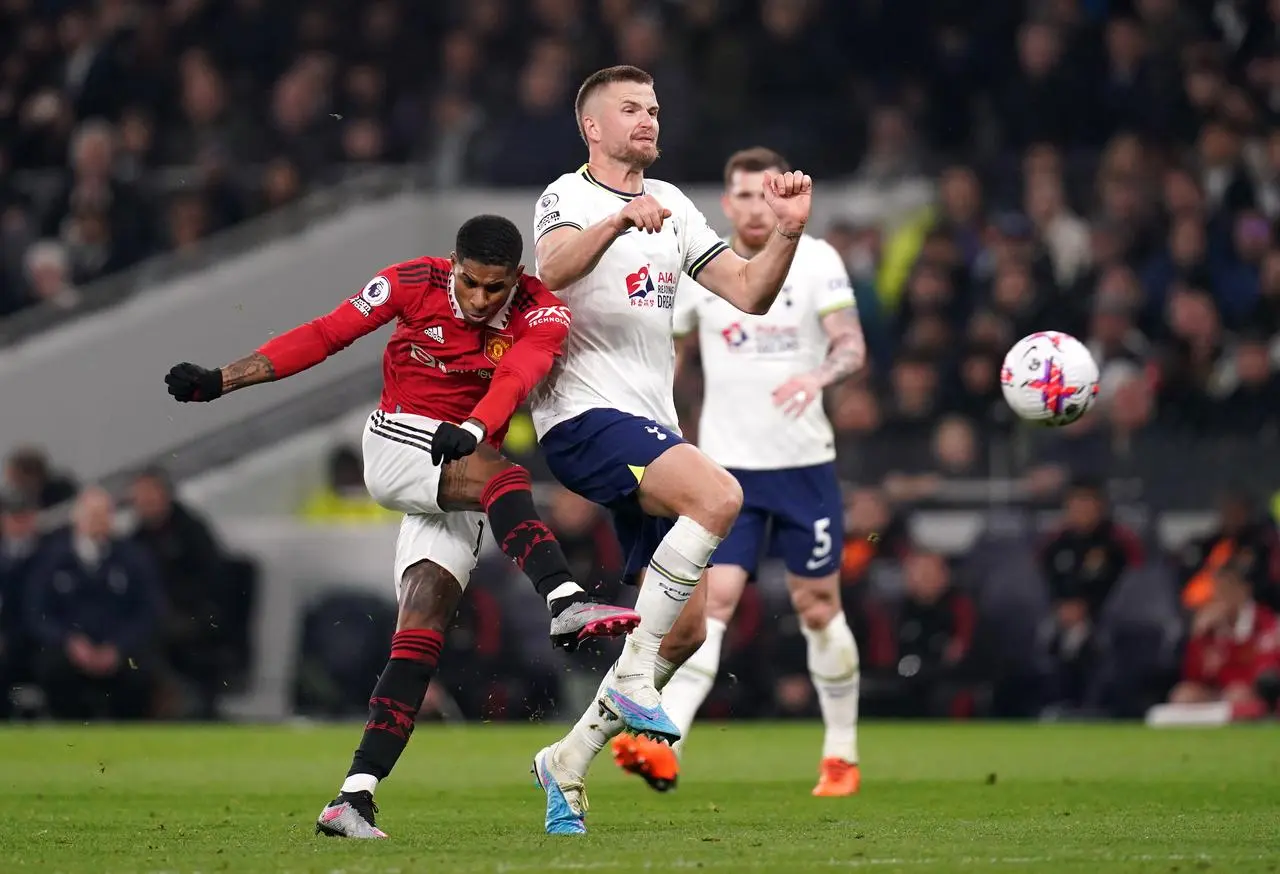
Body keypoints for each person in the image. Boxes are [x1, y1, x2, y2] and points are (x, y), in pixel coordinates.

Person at [163, 214, 641, 839]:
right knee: (506, 477)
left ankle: (352, 798)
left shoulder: (542, 311)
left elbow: (516, 376)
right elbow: (325, 334)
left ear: (515, 278)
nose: (480, 300)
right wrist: (222, 380)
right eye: (470, 283)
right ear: (453, 264)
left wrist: (471, 430)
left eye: (495, 289)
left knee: (420, 641)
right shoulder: (409, 283)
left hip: (457, 472)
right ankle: (565, 598)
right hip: (399, 441)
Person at [527, 66, 813, 835]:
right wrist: (621, 223)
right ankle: (630, 692)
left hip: (649, 425)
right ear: (593, 126)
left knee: (684, 634)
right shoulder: (568, 196)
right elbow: (550, 270)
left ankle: (568, 761)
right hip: (580, 416)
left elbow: (749, 292)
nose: (649, 119)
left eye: (653, 108)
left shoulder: (677, 206)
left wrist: (786, 230)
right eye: (630, 109)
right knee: (720, 496)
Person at [613, 146, 866, 797]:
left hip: (804, 467)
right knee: (710, 609)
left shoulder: (816, 261)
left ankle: (840, 754)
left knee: (816, 607)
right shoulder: (708, 268)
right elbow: (671, 352)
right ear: (727, 203)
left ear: (781, 197)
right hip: (727, 475)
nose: (756, 208)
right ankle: (662, 748)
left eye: (766, 195)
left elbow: (852, 345)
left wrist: (820, 373)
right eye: (744, 197)